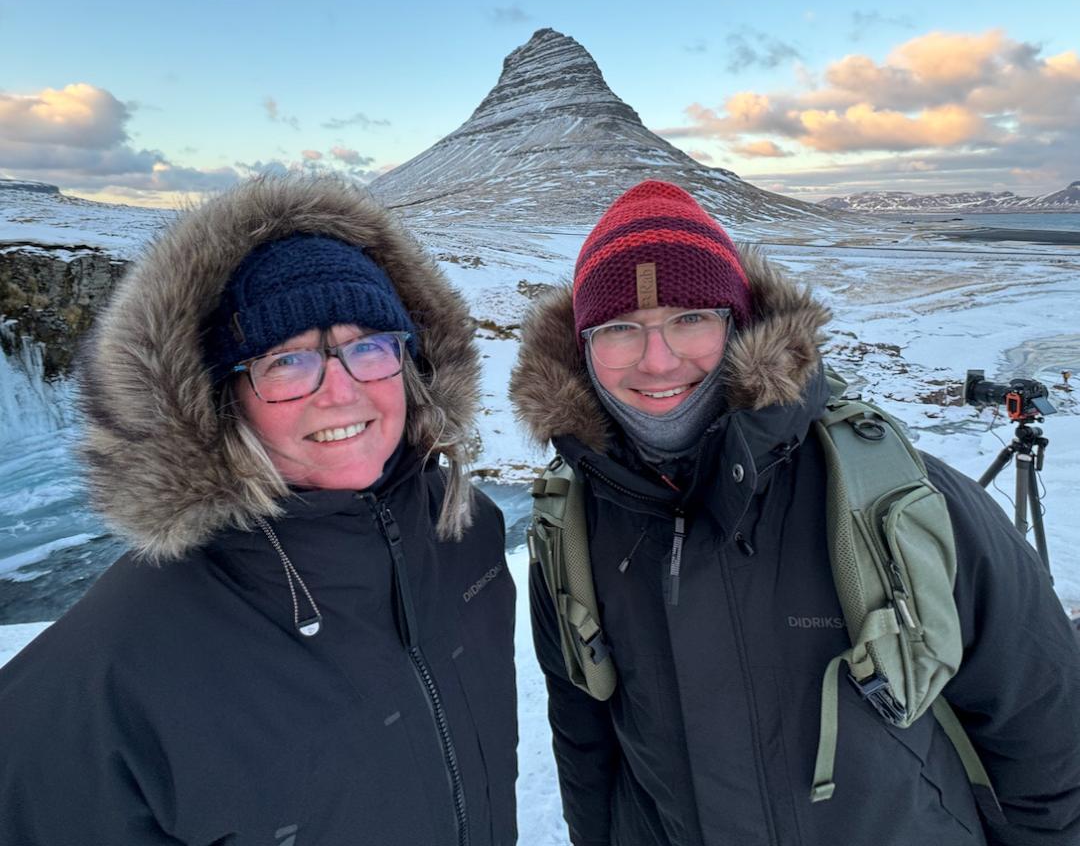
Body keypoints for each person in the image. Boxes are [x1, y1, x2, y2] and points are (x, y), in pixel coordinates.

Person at [509, 179, 1080, 846]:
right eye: (619, 330)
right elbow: (586, 744)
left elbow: (1044, 734)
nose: (657, 358)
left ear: (740, 323)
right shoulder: (570, 527)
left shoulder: (895, 499)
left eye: (691, 317)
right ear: (583, 350)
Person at [0, 174, 517, 846]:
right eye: (287, 361)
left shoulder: (468, 533)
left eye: (368, 346)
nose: (341, 392)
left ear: (411, 363)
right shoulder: (107, 674)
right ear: (223, 397)